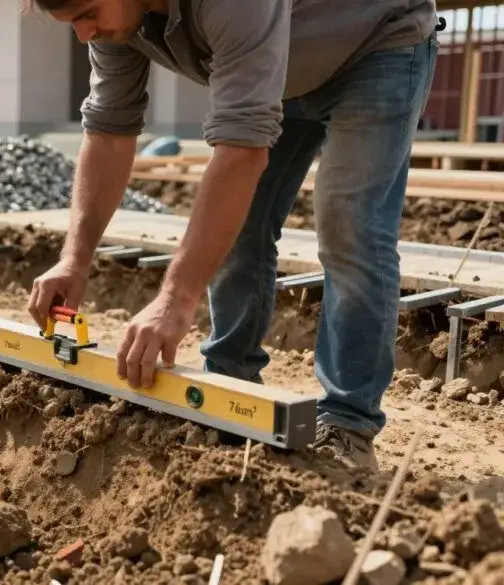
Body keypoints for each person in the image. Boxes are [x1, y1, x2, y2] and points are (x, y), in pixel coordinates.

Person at [26, 0, 441, 471]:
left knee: (350, 230)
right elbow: (107, 132)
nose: (84, 34)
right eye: (73, 23)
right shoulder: (116, 24)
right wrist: (74, 259)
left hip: (375, 45)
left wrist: (176, 299)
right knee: (237, 227)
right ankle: (231, 392)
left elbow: (242, 151)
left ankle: (348, 423)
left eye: (87, 13)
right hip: (278, 65)